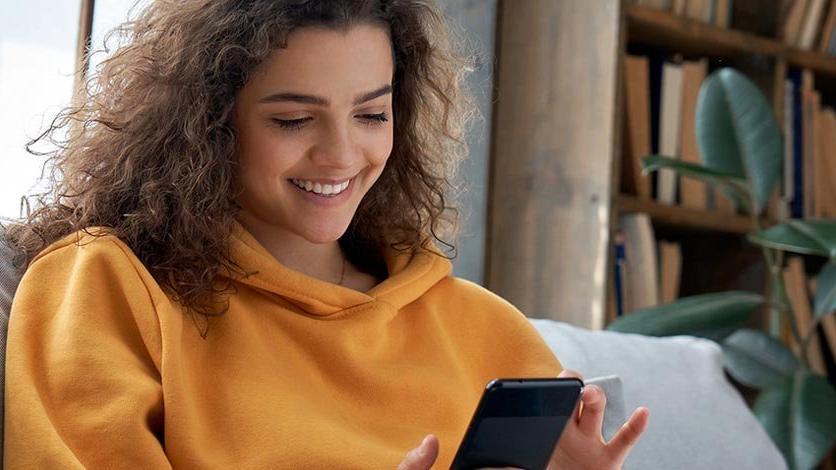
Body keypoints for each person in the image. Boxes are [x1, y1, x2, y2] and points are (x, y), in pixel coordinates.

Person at [4, 1, 649, 468]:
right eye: (292, 119)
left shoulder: (484, 328)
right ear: (208, 125)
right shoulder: (108, 285)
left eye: (372, 114)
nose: (341, 155)